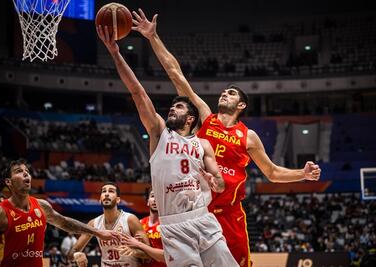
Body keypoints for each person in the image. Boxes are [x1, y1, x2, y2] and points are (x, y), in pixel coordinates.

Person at [131, 9, 322, 267]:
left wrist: (303, 174)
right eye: (224, 91)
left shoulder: (248, 136)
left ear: (241, 104)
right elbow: (176, 74)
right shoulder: (205, 118)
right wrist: (153, 38)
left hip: (230, 216)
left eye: (231, 93)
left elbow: (273, 172)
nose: (224, 94)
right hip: (198, 212)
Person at [97, 24, 239, 267]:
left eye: (179, 107)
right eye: (172, 106)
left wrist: (215, 181)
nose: (172, 108)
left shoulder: (203, 143)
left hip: (202, 218)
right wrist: (115, 53)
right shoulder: (159, 133)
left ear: (191, 118)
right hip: (173, 224)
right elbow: (138, 92)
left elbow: (219, 180)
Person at [0, 159, 120, 267]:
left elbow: (64, 222)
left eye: (27, 171)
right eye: (19, 171)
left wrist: (98, 232)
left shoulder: (41, 205)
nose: (26, 173)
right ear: (9, 181)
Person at [69, 182, 149, 267]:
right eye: (104, 191)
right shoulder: (93, 223)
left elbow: (149, 254)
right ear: (100, 199)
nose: (106, 194)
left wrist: (134, 251)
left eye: (111, 191)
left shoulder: (130, 219)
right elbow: (71, 254)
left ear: (118, 200)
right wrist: (76, 255)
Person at [122, 189, 165, 267]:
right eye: (152, 196)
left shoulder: (167, 225)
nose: (155, 199)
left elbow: (166, 256)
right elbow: (134, 251)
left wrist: (138, 244)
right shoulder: (139, 223)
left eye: (159, 196)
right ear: (148, 201)